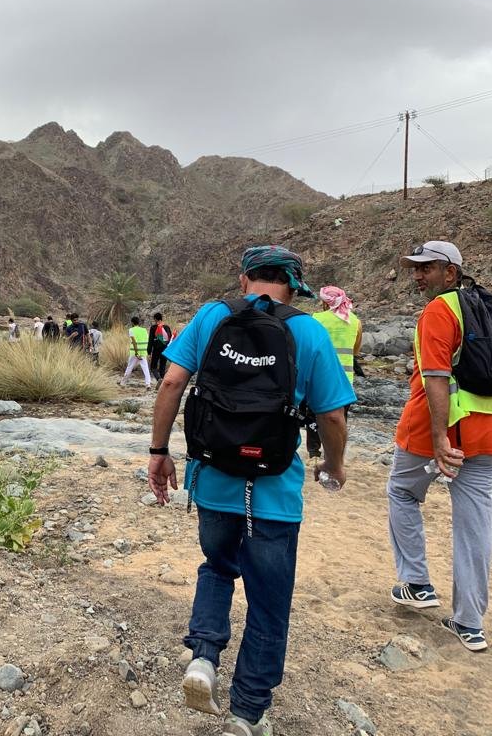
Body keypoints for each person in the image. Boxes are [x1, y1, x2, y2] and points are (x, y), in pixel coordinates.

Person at [147, 246, 354, 736]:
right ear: (294, 287)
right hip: (274, 492)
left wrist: (158, 451)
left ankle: (204, 658)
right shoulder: (309, 331)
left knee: (217, 566)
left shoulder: (211, 316)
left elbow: (172, 383)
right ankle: (246, 712)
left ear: (244, 279)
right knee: (269, 602)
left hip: (213, 479)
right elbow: (332, 416)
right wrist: (333, 466)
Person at [387, 241, 492, 653]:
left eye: (426, 268)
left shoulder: (439, 310)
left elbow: (435, 376)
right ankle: (470, 622)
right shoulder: (491, 306)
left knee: (402, 491)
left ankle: (416, 583)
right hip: (491, 428)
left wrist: (439, 437)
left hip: (438, 427)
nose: (418, 275)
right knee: (474, 522)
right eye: (415, 268)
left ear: (451, 272)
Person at [303, 286, 361, 458]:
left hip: (320, 377)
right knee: (341, 417)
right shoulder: (355, 321)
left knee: (313, 415)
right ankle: (336, 454)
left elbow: (309, 347)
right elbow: (356, 350)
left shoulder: (317, 319)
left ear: (324, 302)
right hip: (345, 379)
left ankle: (314, 452)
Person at [120, 315, 153, 391]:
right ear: (139, 322)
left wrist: (136, 353)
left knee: (129, 367)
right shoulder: (144, 330)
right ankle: (148, 384)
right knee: (145, 368)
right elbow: (147, 340)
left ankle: (123, 383)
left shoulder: (131, 330)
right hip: (143, 351)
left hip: (135, 352)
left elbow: (134, 342)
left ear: (132, 323)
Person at [148, 311, 174, 385]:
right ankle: (162, 384)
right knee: (162, 366)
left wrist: (149, 352)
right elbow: (170, 339)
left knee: (153, 367)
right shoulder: (167, 327)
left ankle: (159, 379)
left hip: (156, 350)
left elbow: (150, 341)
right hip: (165, 349)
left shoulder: (153, 328)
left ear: (155, 319)